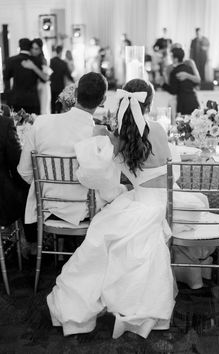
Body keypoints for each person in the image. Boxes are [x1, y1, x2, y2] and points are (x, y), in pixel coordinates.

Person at [47, 79, 176, 339]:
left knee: (103, 231)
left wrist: (101, 134)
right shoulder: (159, 130)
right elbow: (174, 171)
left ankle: (92, 299)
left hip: (139, 201)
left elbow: (102, 175)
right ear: (149, 104)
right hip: (163, 203)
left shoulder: (115, 138)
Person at [18, 73, 122, 232]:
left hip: (46, 207)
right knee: (121, 194)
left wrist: (49, 188)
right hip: (86, 211)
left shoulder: (41, 123)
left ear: (75, 93)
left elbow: (25, 172)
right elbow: (105, 183)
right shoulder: (98, 135)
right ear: (103, 101)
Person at [0, 104, 37, 254]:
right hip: (2, 204)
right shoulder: (4, 124)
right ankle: (31, 244)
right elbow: (18, 168)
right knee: (28, 189)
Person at [3, 38, 46, 114]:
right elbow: (44, 79)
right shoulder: (37, 60)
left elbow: (6, 78)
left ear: (19, 46)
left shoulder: (10, 60)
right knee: (33, 123)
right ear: (29, 47)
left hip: (16, 99)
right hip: (32, 100)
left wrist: (8, 94)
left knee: (18, 123)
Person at [162, 47, 199, 115]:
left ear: (175, 59)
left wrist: (163, 84)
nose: (171, 59)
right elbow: (196, 84)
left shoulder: (174, 72)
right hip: (194, 101)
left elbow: (173, 91)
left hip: (183, 104)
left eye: (171, 57)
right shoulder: (189, 68)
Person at [50, 45, 74, 113]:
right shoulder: (63, 63)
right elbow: (68, 74)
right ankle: (58, 113)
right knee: (59, 101)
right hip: (60, 85)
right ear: (61, 52)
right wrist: (74, 81)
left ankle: (52, 113)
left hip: (52, 85)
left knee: (52, 102)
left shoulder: (52, 60)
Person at [31, 38, 51, 115]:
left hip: (44, 87)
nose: (33, 50)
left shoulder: (43, 60)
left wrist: (33, 67)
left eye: (36, 49)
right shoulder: (32, 59)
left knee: (44, 111)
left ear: (40, 49)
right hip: (36, 88)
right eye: (32, 48)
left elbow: (46, 77)